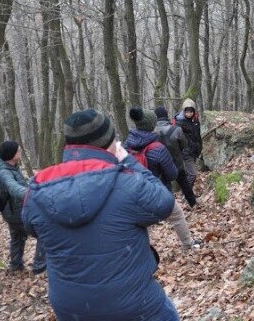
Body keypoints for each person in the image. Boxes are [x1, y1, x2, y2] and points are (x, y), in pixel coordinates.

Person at [22, 109, 181, 321]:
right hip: (134, 304)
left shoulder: (37, 190)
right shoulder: (127, 182)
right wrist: (128, 161)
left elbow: (31, 227)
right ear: (109, 142)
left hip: (71, 308)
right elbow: (164, 202)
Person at [127, 107, 201, 251]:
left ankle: (143, 252)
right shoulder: (158, 148)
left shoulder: (127, 145)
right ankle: (187, 245)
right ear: (152, 125)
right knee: (177, 216)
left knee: (143, 225)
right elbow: (173, 175)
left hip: (137, 192)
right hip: (159, 192)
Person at [0, 140, 45, 274]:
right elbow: (14, 188)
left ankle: (15, 266)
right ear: (11, 154)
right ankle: (40, 267)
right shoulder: (3, 173)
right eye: (18, 150)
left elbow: (20, 184)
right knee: (43, 233)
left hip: (13, 211)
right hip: (16, 213)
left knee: (17, 237)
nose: (20, 152)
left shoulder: (12, 167)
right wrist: (34, 194)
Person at [174, 99, 203, 189]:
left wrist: (199, 147)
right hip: (186, 153)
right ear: (184, 111)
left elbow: (197, 135)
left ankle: (187, 193)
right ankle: (187, 195)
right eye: (187, 112)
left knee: (189, 174)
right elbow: (178, 139)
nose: (189, 114)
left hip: (194, 151)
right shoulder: (179, 123)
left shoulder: (195, 121)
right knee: (192, 175)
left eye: (191, 112)